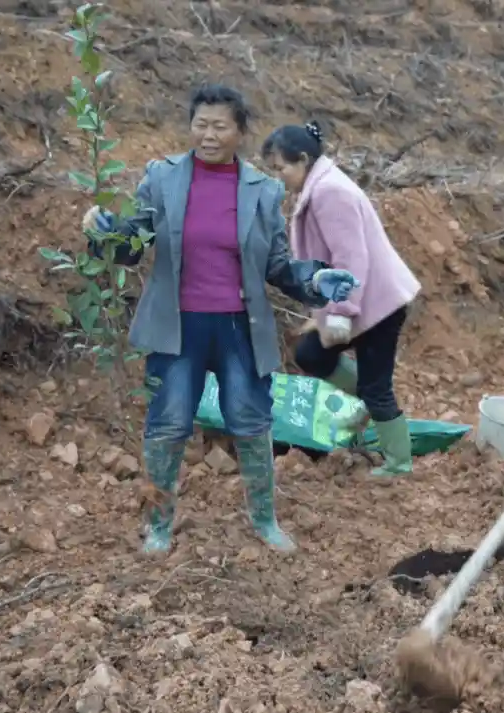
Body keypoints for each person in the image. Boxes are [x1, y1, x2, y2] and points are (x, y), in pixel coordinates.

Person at [79, 84, 360, 555]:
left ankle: (264, 520)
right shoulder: (162, 178)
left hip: (237, 328)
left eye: (219, 126)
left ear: (240, 132)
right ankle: (159, 526)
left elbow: (276, 266)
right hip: (179, 327)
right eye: (200, 124)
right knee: (168, 424)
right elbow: (135, 242)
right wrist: (108, 238)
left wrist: (316, 280)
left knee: (251, 421)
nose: (208, 135)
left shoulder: (262, 190)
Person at [260, 121, 422, 477]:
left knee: (377, 386)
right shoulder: (319, 187)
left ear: (303, 159)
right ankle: (367, 402)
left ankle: (399, 463)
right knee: (310, 354)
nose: (279, 177)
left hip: (377, 304)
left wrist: (341, 313)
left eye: (281, 167)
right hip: (360, 300)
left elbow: (351, 257)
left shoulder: (329, 192)